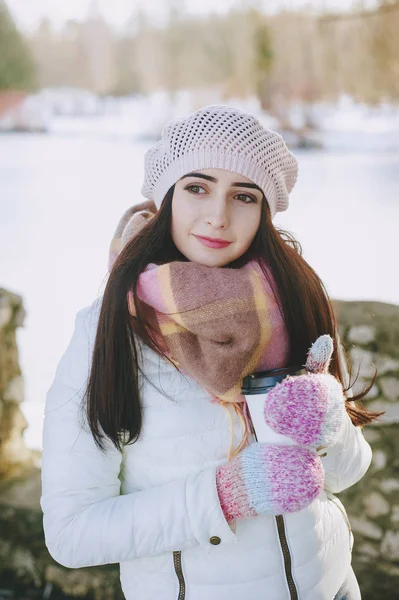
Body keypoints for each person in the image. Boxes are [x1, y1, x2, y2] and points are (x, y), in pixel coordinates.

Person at [40, 104, 380, 600]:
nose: (218, 217)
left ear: (264, 210)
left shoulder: (294, 298)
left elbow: (346, 475)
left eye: (243, 196)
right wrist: (223, 496)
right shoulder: (110, 328)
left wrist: (329, 428)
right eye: (196, 187)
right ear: (166, 198)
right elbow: (71, 533)